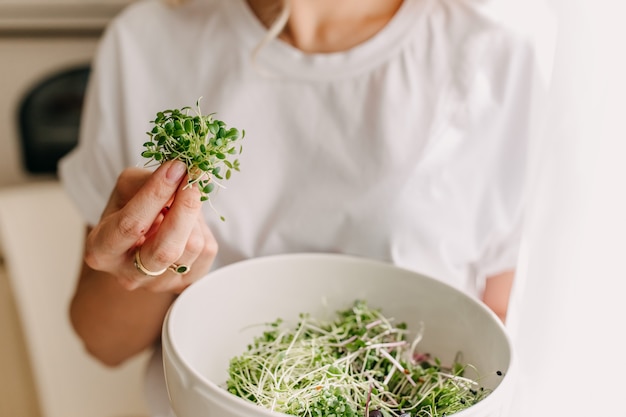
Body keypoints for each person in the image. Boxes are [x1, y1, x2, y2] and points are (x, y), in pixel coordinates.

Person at [59, 0, 550, 415]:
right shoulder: (146, 43)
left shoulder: (493, 60)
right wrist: (147, 263)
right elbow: (104, 342)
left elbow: (485, 338)